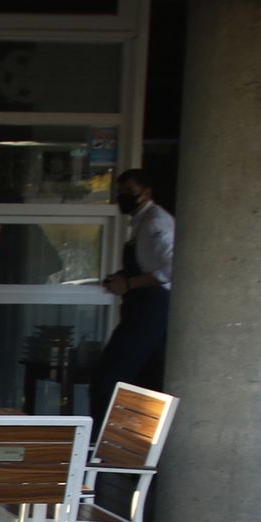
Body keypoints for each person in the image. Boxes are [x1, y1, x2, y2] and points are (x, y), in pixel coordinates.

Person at [93, 168, 175, 420]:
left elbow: (172, 267)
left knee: (110, 378)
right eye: (119, 192)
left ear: (147, 193)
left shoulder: (155, 222)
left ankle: (101, 445)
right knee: (138, 379)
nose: (122, 197)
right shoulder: (142, 222)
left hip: (151, 309)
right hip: (142, 308)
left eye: (129, 192)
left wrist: (129, 284)